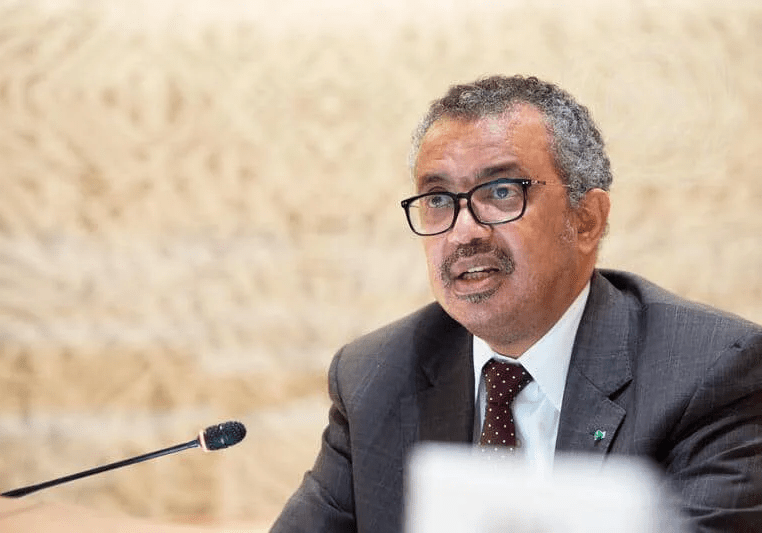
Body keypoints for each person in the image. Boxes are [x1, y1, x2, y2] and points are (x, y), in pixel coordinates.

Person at [269, 75, 762, 533]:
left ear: (586, 220)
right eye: (438, 200)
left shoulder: (709, 374)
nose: (463, 232)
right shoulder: (375, 377)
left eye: (501, 192)